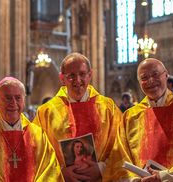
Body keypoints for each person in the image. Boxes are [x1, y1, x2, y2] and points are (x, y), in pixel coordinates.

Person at [103, 58, 173, 181]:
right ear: (139, 82)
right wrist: (135, 180)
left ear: (166, 75)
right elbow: (119, 157)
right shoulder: (130, 117)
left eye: (155, 74)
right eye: (144, 78)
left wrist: (164, 177)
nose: (151, 81)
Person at [33, 52, 122, 182]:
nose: (78, 80)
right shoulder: (46, 112)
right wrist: (60, 172)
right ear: (62, 78)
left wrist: (102, 168)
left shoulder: (108, 108)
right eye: (71, 76)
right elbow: (37, 151)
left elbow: (122, 145)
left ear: (90, 74)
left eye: (82, 74)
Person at [0, 76, 63, 181]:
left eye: (18, 98)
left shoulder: (38, 134)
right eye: (8, 98)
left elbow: (50, 170)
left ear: (24, 101)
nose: (13, 103)